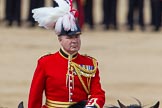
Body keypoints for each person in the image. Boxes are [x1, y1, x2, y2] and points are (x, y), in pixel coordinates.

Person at [28, 0, 105, 108]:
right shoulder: (46, 63)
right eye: (69, 37)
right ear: (60, 40)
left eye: (77, 36)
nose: (74, 41)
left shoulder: (90, 63)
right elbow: (35, 96)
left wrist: (92, 106)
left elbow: (98, 93)